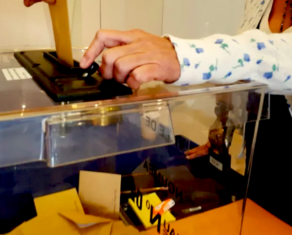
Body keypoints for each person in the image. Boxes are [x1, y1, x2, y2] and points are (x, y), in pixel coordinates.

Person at [27, 0, 292, 225]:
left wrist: (181, 55)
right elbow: (249, 81)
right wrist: (222, 131)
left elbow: (275, 57)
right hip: (259, 162)